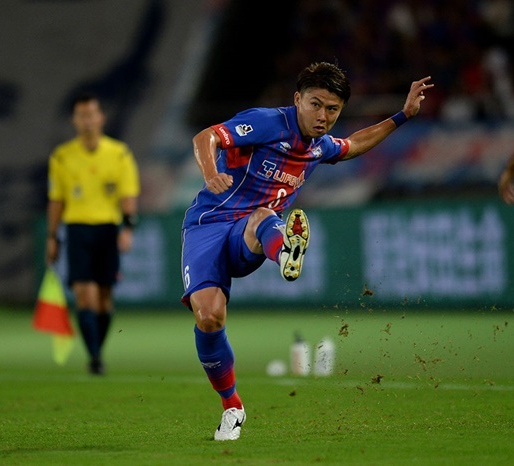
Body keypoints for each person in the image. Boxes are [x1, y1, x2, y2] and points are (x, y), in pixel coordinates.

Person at [181, 62, 433, 441]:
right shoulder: (267, 122)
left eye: (333, 110)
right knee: (209, 316)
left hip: (251, 232)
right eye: (316, 105)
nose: (323, 117)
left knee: (263, 215)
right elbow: (206, 137)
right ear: (298, 99)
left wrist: (402, 116)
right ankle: (232, 406)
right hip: (208, 224)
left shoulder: (318, 147)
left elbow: (354, 144)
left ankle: (285, 252)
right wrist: (210, 175)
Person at [47, 93, 140, 375]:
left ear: (101, 118)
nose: (87, 120)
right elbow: (56, 200)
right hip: (77, 230)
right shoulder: (62, 156)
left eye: (91, 114)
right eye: (81, 115)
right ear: (74, 120)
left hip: (107, 230)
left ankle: (98, 349)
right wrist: (52, 237)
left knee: (104, 298)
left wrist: (127, 229)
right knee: (84, 296)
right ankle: (95, 357)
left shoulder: (119, 153)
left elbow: (128, 196)